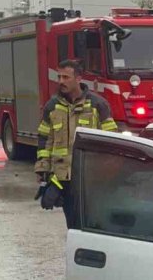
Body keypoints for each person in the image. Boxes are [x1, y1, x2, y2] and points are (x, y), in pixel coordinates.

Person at [35, 60, 118, 226]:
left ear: (78, 79)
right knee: (72, 223)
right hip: (63, 179)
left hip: (90, 179)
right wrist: (42, 170)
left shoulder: (97, 105)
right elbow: (44, 139)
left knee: (93, 223)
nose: (61, 81)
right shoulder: (52, 106)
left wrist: (108, 172)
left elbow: (111, 140)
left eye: (66, 77)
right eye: (59, 77)